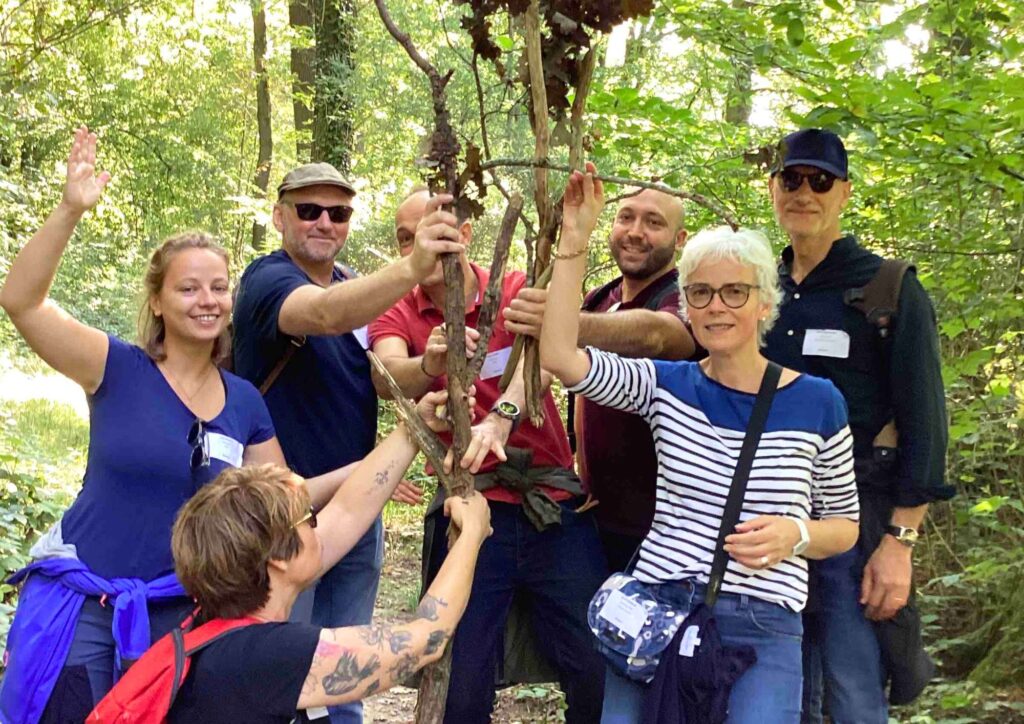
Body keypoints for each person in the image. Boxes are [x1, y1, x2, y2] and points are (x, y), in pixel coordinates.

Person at [0, 129, 353, 722]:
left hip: (181, 617)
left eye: (218, 287)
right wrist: (69, 210)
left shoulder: (243, 403)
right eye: (188, 288)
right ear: (158, 300)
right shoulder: (114, 367)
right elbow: (22, 302)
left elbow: (284, 501)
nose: (207, 300)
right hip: (88, 609)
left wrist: (375, 466)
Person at [540, 163, 861, 723]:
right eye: (701, 293)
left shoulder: (819, 402)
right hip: (657, 608)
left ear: (765, 303)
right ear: (686, 305)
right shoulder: (668, 386)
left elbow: (845, 526)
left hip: (764, 623)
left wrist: (797, 533)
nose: (717, 306)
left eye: (735, 291)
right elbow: (561, 356)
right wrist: (574, 237)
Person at [231, 163, 463, 723]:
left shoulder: (353, 284)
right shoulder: (268, 281)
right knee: (285, 668)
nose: (324, 222)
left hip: (358, 508)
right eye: (309, 210)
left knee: (345, 669)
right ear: (280, 215)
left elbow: (379, 380)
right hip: (284, 511)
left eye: (338, 212)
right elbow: (324, 316)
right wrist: (412, 268)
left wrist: (426, 367)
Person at [368, 189, 608, 724]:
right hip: (469, 510)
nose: (421, 245)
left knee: (594, 661)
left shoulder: (516, 288)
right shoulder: (398, 307)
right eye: (406, 238)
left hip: (548, 503)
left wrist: (501, 413)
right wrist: (427, 363)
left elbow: (548, 359)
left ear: (465, 234)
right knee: (461, 678)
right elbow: (386, 376)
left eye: (431, 231)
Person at [762, 128, 954, 722]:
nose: (804, 192)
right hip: (767, 524)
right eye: (791, 178)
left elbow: (926, 426)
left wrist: (900, 544)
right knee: (775, 687)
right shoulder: (757, 290)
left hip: (860, 517)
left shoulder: (887, 289)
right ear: (773, 189)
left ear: (844, 193)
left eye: (821, 181)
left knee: (851, 689)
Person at [159, 394, 491, 721]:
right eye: (309, 518)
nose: (319, 528)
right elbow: (428, 637)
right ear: (277, 558)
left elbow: (347, 510)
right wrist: (471, 534)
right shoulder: (269, 657)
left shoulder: (219, 635)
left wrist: (414, 428)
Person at [503, 188, 699, 570]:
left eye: (653, 222)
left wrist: (567, 323)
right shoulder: (600, 297)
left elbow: (659, 335)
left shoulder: (687, 298)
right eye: (626, 217)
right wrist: (503, 415)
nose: (636, 231)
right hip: (594, 513)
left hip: (663, 527)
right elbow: (552, 364)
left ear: (679, 241)